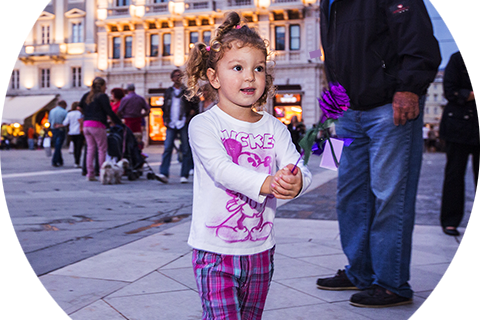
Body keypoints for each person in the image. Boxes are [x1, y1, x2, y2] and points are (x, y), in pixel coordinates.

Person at [184, 12, 312, 319]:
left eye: (258, 68)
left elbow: (299, 167)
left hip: (261, 252)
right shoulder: (203, 124)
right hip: (214, 251)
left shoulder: (275, 128)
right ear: (214, 77)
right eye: (238, 68)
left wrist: (297, 183)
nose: (249, 76)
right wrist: (268, 184)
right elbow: (221, 169)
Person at [316, 0, 441, 308]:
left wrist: (409, 87)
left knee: (389, 195)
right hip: (348, 109)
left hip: (389, 105)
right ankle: (360, 272)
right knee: (350, 196)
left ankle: (391, 283)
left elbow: (418, 38)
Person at [439, 16, 480, 237]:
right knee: (454, 175)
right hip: (458, 127)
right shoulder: (458, 59)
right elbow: (452, 93)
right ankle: (450, 220)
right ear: (472, 37)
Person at [157, 69, 197, 184]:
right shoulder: (169, 91)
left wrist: (188, 118)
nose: (178, 78)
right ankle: (163, 173)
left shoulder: (187, 91)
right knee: (167, 148)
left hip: (183, 122)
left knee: (185, 149)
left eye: (180, 76)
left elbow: (194, 107)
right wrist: (165, 119)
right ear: (172, 78)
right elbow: (164, 107)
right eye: (175, 76)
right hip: (171, 123)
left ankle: (184, 174)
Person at [80, 77, 123, 181]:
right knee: (102, 149)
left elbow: (80, 106)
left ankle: (90, 174)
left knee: (90, 149)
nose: (106, 87)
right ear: (102, 86)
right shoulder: (102, 96)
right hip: (97, 124)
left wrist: (88, 113)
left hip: (86, 124)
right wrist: (119, 122)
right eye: (105, 85)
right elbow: (109, 111)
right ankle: (101, 172)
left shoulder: (87, 95)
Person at [62, 102, 84, 168]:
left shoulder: (69, 114)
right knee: (79, 147)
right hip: (79, 132)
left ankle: (75, 161)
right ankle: (77, 161)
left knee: (74, 147)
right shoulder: (80, 114)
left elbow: (65, 123)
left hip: (72, 132)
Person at [49, 100, 68, 167]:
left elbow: (49, 120)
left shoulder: (52, 111)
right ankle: (55, 160)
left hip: (53, 129)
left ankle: (60, 160)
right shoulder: (64, 112)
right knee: (58, 145)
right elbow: (66, 122)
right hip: (61, 129)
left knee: (57, 145)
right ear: (63, 105)